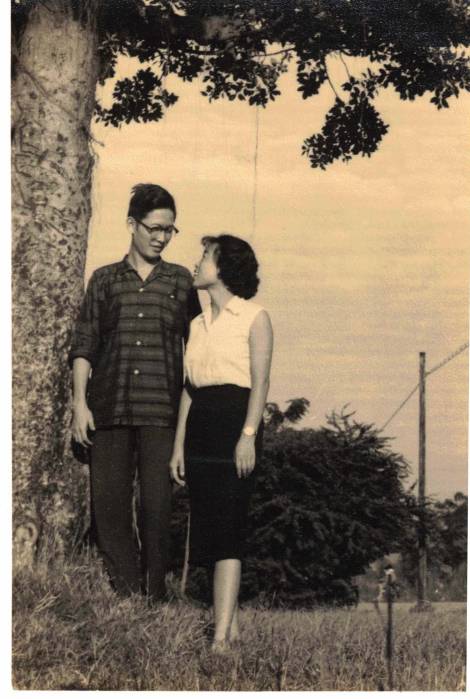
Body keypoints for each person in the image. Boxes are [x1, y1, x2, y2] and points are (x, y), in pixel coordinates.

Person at [69, 183, 201, 603]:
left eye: (169, 230)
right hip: (109, 409)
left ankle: (155, 596)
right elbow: (84, 345)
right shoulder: (104, 279)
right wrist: (79, 404)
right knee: (108, 507)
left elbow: (199, 348)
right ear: (132, 224)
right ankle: (126, 595)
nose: (161, 237)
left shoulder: (181, 281)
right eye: (154, 228)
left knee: (157, 508)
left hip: (162, 411)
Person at [169, 234, 273, 652]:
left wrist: (248, 436)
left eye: (205, 257)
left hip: (236, 423)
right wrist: (179, 445)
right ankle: (230, 627)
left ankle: (219, 640)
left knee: (229, 526)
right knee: (209, 528)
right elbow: (190, 388)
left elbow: (260, 383)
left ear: (225, 268)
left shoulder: (255, 317)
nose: (197, 264)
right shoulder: (197, 324)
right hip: (200, 427)